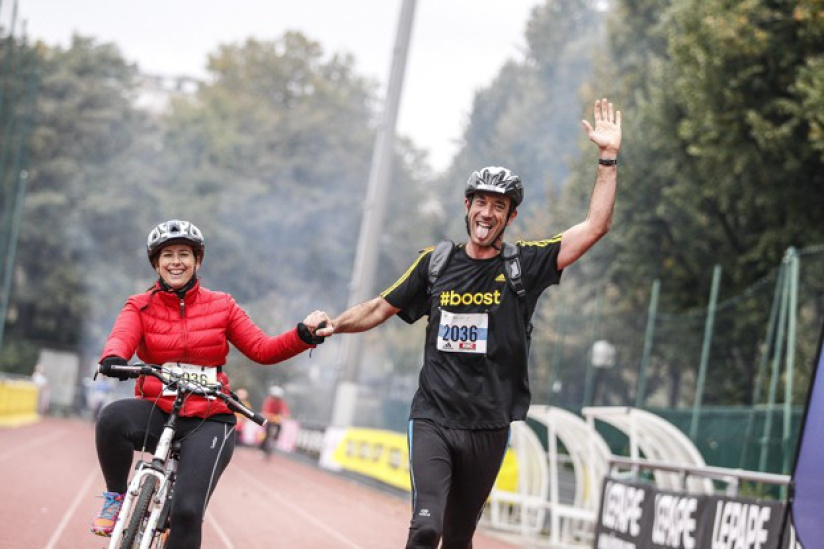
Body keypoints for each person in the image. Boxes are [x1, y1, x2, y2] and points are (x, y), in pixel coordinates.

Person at [317, 98, 622, 548]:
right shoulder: (435, 263)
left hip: (489, 426)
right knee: (426, 527)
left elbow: (596, 226)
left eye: (499, 206)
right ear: (467, 205)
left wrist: (608, 158)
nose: (487, 213)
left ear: (510, 216)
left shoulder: (524, 265)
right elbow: (380, 307)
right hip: (433, 418)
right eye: (481, 202)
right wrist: (334, 325)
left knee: (459, 539)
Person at [91, 219, 330, 547]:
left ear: (197, 261)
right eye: (167, 255)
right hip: (159, 409)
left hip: (210, 419)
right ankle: (115, 498)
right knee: (111, 419)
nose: (176, 261)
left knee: (187, 512)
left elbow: (262, 349)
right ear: (156, 264)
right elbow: (122, 336)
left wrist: (303, 335)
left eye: (184, 254)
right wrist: (114, 357)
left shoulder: (223, 305)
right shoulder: (140, 305)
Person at [260, 384, 290, 456]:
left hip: (276, 419)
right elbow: (265, 410)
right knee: (266, 433)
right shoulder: (268, 401)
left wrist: (285, 415)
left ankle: (275, 439)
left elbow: (285, 410)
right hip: (269, 418)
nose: (276, 398)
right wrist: (267, 415)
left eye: (277, 397)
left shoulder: (281, 402)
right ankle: (262, 448)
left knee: (279, 427)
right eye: (274, 397)